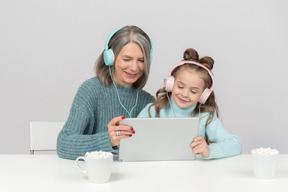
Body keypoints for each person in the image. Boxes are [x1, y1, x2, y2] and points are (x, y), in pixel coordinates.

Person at [57, 25, 154, 160]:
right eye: (127, 59)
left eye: (141, 60)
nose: (134, 67)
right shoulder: (91, 90)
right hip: (98, 177)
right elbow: (63, 144)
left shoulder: (149, 101)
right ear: (110, 58)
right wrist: (108, 140)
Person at [137, 48, 242, 159]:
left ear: (203, 95)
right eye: (180, 86)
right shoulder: (154, 110)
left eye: (193, 91)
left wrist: (209, 150)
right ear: (170, 84)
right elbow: (132, 139)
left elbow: (235, 144)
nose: (185, 94)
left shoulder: (205, 116)